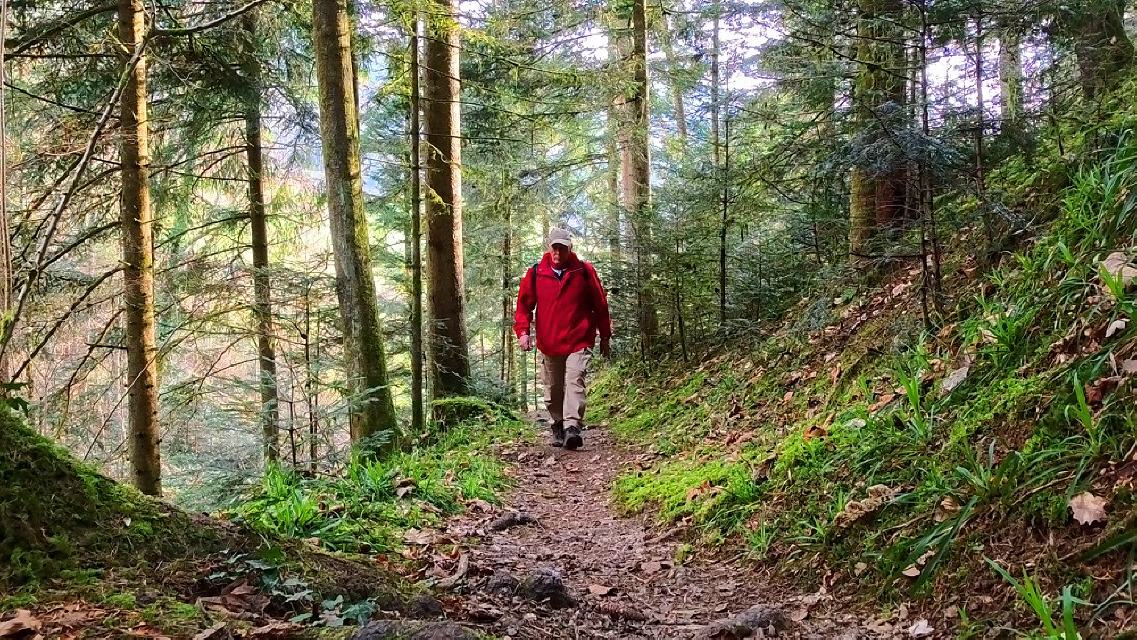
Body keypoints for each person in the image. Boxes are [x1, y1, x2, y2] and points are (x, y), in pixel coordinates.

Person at [514, 228, 612, 450]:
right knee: (553, 388)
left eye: (562, 248)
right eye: (554, 247)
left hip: (579, 338)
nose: (558, 252)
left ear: (570, 248)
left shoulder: (584, 271)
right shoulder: (536, 273)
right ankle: (558, 424)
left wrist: (605, 335)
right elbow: (524, 306)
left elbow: (600, 305)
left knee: (575, 379)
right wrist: (523, 332)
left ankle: (572, 428)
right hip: (549, 341)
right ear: (549, 248)